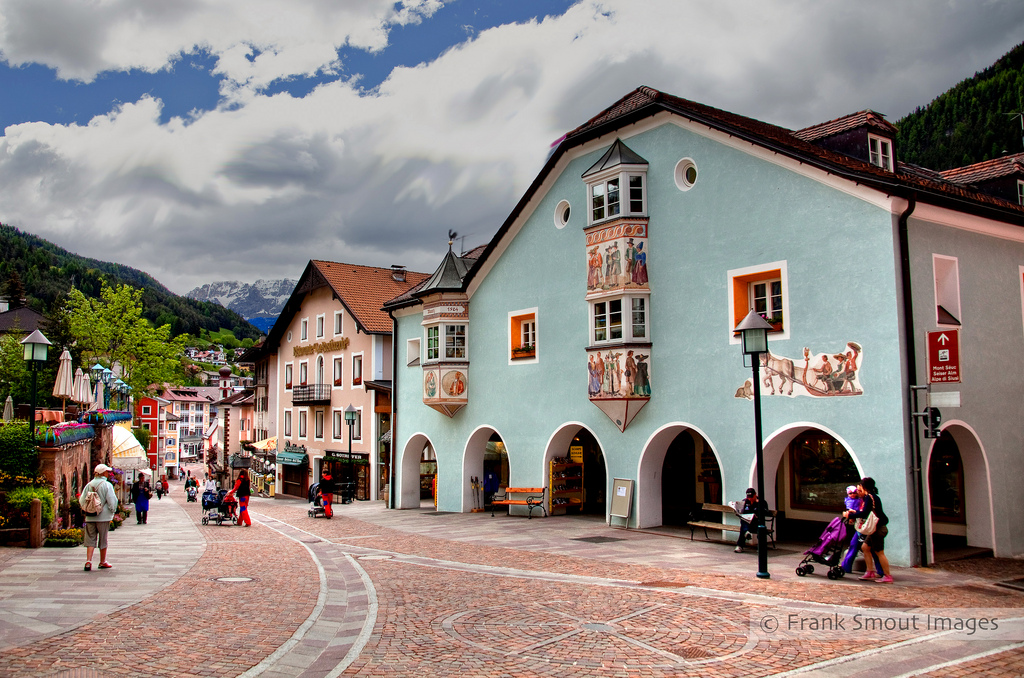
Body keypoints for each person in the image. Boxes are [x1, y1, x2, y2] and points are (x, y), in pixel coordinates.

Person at [844, 477, 893, 583]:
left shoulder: (869, 498)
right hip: (874, 528)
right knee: (865, 547)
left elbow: (865, 513)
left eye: (859, 489)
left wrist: (851, 514)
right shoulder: (871, 497)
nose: (858, 492)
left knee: (879, 552)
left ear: (864, 487)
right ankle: (870, 571)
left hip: (878, 529)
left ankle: (887, 575)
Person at [81, 464, 119, 571]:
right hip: (103, 516)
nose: (108, 473)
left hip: (90, 516)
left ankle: (88, 561)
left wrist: (87, 509)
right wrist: (112, 510)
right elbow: (112, 501)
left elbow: (82, 500)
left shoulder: (89, 484)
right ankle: (102, 561)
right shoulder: (107, 485)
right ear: (103, 473)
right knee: (103, 539)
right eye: (107, 471)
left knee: (90, 538)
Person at [734, 488, 768, 553]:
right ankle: (746, 532)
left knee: (743, 528)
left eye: (751, 497)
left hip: (757, 523)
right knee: (744, 521)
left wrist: (758, 507)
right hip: (748, 523)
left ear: (755, 495)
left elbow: (766, 512)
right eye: (748, 497)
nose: (750, 499)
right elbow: (743, 512)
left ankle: (740, 544)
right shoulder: (745, 502)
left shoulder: (761, 502)